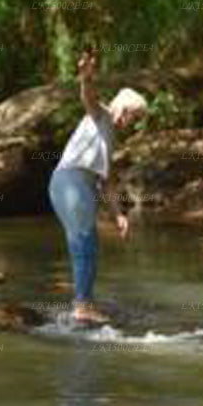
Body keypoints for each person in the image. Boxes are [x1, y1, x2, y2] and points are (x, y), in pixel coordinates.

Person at [47, 47, 148, 326]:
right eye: (133, 117)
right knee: (84, 243)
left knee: (86, 243)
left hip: (75, 184)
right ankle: (82, 307)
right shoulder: (101, 115)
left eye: (136, 119)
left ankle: (84, 302)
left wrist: (119, 215)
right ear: (123, 109)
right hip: (71, 181)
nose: (133, 123)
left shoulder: (111, 136)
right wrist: (86, 76)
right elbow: (88, 98)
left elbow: (107, 182)